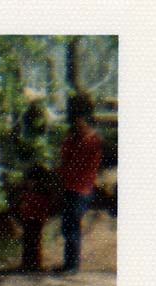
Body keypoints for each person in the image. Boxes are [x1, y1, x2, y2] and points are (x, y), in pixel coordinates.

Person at [56, 93, 103, 273]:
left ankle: (72, 265)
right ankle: (69, 262)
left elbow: (88, 167)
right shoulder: (72, 138)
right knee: (67, 226)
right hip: (70, 186)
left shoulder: (92, 140)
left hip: (81, 188)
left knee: (73, 224)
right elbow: (64, 159)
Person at [17, 166, 53, 273]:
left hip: (36, 219)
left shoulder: (40, 194)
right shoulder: (29, 193)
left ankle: (35, 263)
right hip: (28, 218)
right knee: (28, 240)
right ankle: (27, 263)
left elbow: (42, 207)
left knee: (34, 241)